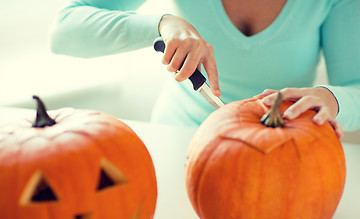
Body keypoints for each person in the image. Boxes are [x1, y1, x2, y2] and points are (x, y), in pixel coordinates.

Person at [50, 0, 360, 138]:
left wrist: (332, 100)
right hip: (176, 138)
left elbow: (355, 87)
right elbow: (64, 30)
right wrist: (161, 25)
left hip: (282, 149)